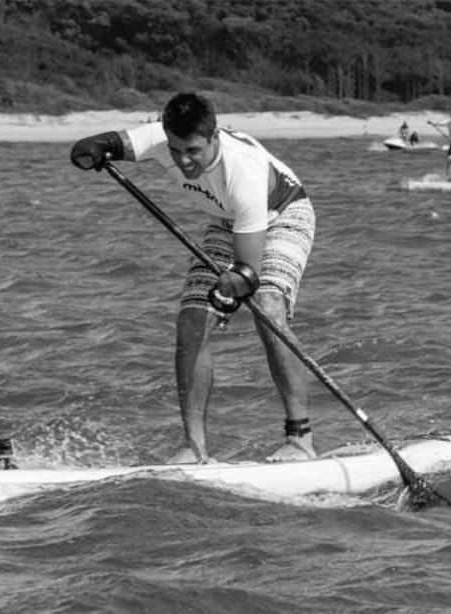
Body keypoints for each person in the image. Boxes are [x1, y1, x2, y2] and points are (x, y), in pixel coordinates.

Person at [69, 92, 316, 464]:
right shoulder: (159, 140)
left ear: (214, 137)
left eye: (194, 151)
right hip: (226, 220)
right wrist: (90, 151)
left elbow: (247, 273)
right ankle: (194, 447)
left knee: (268, 308)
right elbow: (105, 144)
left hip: (282, 214)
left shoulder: (243, 170)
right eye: (175, 150)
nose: (183, 161)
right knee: (192, 320)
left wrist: (234, 286)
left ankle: (300, 438)